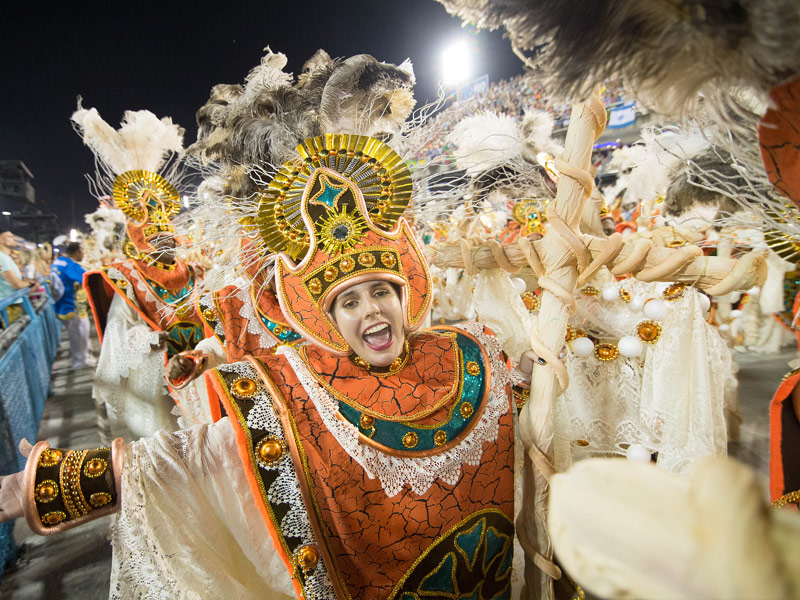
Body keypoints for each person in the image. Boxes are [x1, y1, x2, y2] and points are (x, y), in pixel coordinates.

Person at [72, 106, 205, 442]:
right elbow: (118, 334)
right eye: (156, 237)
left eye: (168, 235)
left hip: (203, 373)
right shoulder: (128, 278)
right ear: (139, 240)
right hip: (156, 382)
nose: (165, 241)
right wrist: (153, 341)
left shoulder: (197, 271)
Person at [51, 241, 94, 369]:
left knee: (76, 333)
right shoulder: (69, 265)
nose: (83, 254)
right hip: (71, 304)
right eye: (82, 251)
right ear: (77, 252)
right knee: (80, 332)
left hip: (61, 304)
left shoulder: (58, 262)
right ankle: (80, 360)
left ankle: (80, 358)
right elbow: (85, 278)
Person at [0, 230, 37, 324]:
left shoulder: (7, 257)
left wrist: (26, 282)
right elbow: (17, 284)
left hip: (14, 303)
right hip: (9, 306)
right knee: (14, 336)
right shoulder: (2, 257)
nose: (13, 239)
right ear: (0, 239)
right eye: (9, 237)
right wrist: (31, 283)